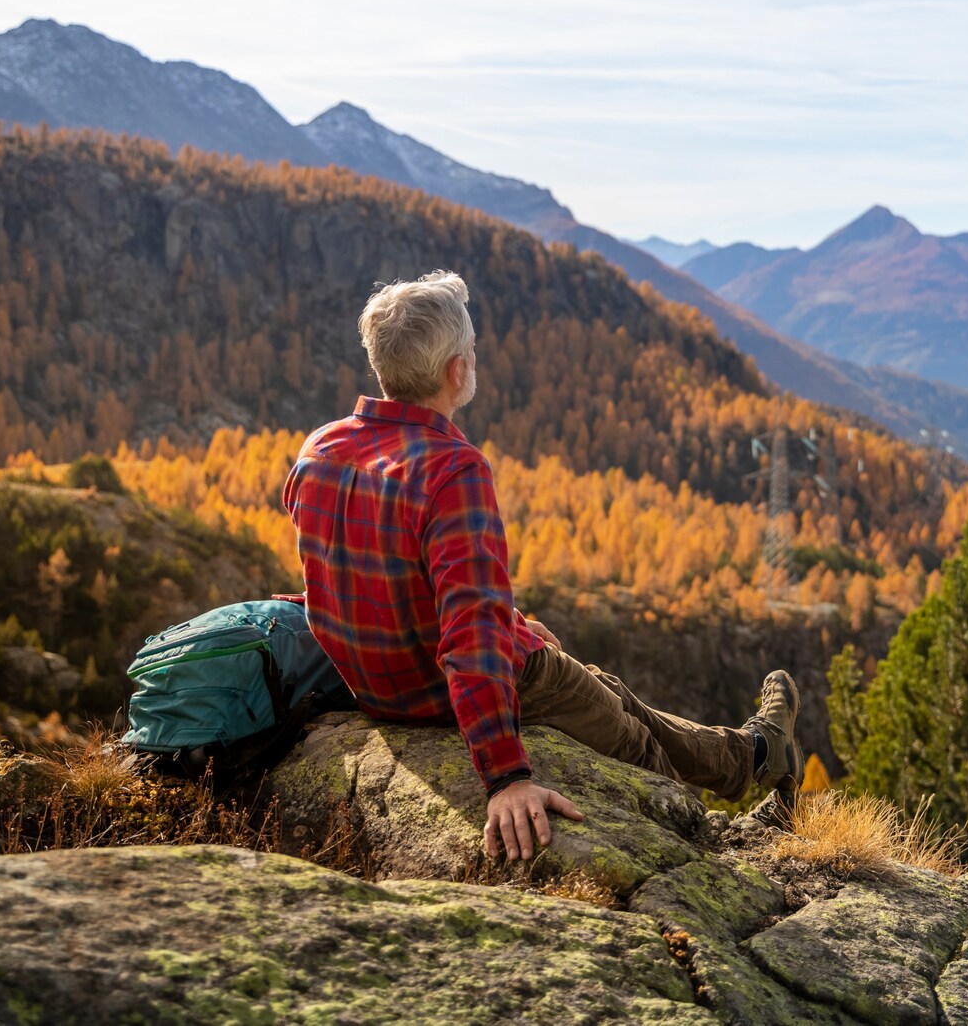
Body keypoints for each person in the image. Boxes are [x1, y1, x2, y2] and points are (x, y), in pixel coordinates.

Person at [284, 269, 801, 863]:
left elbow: (361, 570)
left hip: (379, 690)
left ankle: (755, 755)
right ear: (457, 370)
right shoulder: (454, 469)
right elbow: (470, 637)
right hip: (448, 694)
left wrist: (511, 620)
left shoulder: (320, 449)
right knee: (627, 738)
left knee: (605, 690)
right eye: (471, 352)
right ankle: (715, 845)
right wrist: (505, 777)